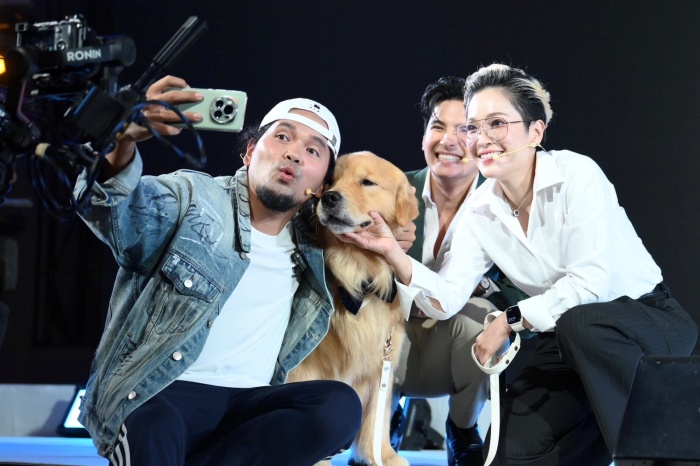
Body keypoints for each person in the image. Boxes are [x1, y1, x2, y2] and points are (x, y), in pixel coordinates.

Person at [338, 63, 698, 465]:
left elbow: (589, 285)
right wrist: (391, 251)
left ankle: (654, 458)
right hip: (566, 340)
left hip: (645, 322)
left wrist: (509, 320)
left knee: (582, 322)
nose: (481, 138)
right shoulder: (480, 211)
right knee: (510, 454)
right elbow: (446, 298)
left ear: (536, 132)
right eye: (474, 127)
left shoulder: (577, 173)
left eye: (497, 123)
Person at [73, 75, 363, 465]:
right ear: (249, 152)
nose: (294, 154)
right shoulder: (192, 198)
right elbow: (113, 210)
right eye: (282, 137)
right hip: (160, 393)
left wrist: (390, 241)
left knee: (339, 405)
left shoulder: (316, 246)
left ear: (322, 185)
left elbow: (389, 248)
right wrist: (121, 141)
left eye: (313, 150)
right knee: (154, 424)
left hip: (247, 408)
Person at [394, 76, 523, 466]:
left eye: (465, 129)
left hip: (453, 345)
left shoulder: (504, 204)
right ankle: (382, 421)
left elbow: (527, 289)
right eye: (438, 126)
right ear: (424, 135)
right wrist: (384, 253)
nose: (448, 141)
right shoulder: (390, 190)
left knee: (485, 318)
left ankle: (462, 428)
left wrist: (485, 287)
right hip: (391, 334)